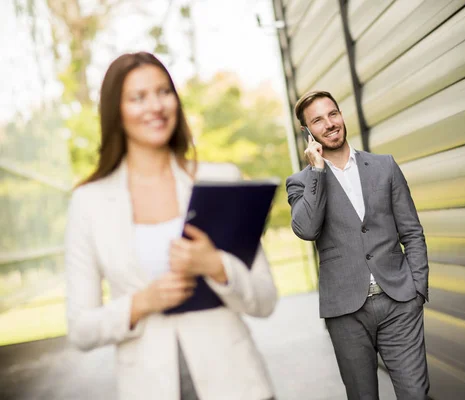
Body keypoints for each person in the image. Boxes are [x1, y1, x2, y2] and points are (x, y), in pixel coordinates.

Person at [64, 52, 277, 400]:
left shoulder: (220, 180)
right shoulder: (89, 203)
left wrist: (216, 266)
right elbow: (80, 328)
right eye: (138, 97)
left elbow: (265, 299)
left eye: (164, 92)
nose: (156, 106)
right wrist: (141, 303)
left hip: (237, 384)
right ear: (116, 111)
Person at [286, 90, 430, 399]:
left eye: (333, 114)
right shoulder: (302, 181)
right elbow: (306, 229)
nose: (330, 124)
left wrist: (417, 289)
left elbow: (412, 232)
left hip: (400, 302)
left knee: (416, 394)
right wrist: (317, 171)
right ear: (307, 131)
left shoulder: (384, 166)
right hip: (346, 312)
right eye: (318, 120)